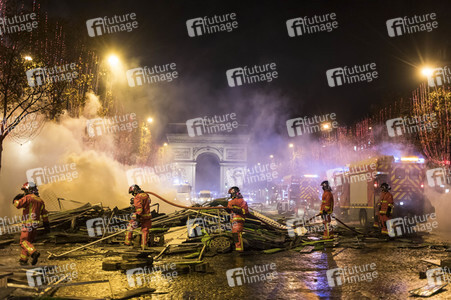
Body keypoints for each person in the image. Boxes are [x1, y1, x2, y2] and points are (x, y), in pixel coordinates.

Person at [13, 182, 50, 265]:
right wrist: (46, 224)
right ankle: (23, 260)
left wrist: (15, 199)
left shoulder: (28, 198)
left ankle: (34, 253)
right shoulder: (40, 201)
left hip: (27, 224)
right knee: (27, 242)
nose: (24, 193)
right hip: (35, 225)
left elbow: (18, 205)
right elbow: (44, 214)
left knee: (23, 242)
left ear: (29, 190)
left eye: (25, 190)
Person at [125, 184, 152, 249]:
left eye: (132, 193)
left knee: (130, 227)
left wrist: (134, 217)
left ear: (135, 190)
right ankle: (143, 246)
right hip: (147, 216)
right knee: (145, 231)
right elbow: (149, 202)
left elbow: (139, 210)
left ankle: (127, 242)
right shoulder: (146, 195)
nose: (133, 195)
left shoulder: (137, 197)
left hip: (140, 216)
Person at [225, 186, 248, 252]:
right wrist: (227, 210)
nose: (231, 195)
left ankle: (240, 249)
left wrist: (238, 210)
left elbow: (245, 211)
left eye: (231, 194)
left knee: (237, 234)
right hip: (233, 221)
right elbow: (230, 211)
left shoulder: (241, 201)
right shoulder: (231, 202)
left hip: (239, 220)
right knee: (235, 234)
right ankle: (238, 248)